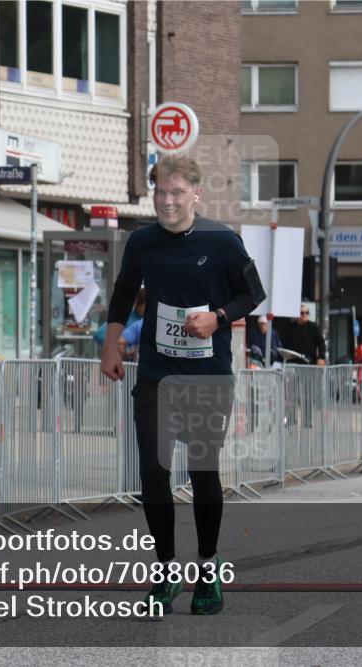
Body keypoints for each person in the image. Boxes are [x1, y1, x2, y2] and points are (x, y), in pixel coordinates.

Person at [99, 154, 265, 616]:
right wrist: (110, 347)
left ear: (196, 194)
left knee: (202, 471)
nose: (167, 201)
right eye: (160, 192)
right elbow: (123, 293)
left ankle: (208, 567)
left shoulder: (223, 241)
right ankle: (167, 570)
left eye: (177, 192)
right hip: (157, 376)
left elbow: (253, 294)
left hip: (207, 378)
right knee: (154, 472)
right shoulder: (142, 242)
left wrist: (218, 317)